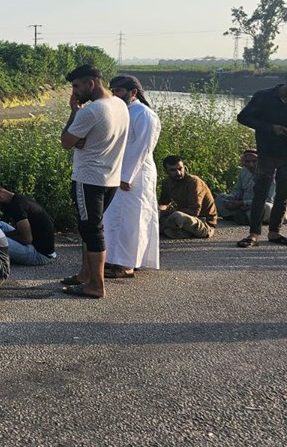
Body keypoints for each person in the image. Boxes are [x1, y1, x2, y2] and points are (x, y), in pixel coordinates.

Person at [60, 64, 129, 299]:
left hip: (88, 178)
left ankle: (96, 285)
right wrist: (82, 139)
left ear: (91, 84)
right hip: (110, 178)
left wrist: (73, 112)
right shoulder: (119, 104)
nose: (75, 92)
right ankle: (84, 276)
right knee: (90, 226)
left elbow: (67, 141)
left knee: (91, 230)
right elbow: (89, 139)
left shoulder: (91, 111)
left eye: (77, 86)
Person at [100, 74, 162, 278]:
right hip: (116, 174)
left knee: (132, 220)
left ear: (133, 93)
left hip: (135, 176)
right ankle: (114, 260)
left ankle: (127, 265)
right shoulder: (121, 111)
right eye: (113, 90)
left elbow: (142, 147)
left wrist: (127, 176)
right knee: (114, 219)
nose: (114, 94)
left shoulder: (144, 114)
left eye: (118, 91)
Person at [236, 83, 287, 247]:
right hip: (267, 152)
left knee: (282, 195)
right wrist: (271, 128)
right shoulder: (263, 96)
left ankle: (274, 232)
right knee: (260, 193)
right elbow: (243, 117)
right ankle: (254, 234)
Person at [0, 184, 57, 266]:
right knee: (0, 225)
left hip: (40, 254)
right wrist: (4, 234)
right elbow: (22, 232)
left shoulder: (17, 207)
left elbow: (26, 239)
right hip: (36, 245)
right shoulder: (18, 199)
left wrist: (1, 236)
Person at [158, 155, 217, 239]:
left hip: (202, 221)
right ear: (166, 171)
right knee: (154, 214)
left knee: (177, 216)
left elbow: (194, 211)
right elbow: (164, 203)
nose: (178, 173)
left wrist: (169, 214)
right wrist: (158, 212)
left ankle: (170, 229)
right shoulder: (167, 183)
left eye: (180, 168)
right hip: (183, 218)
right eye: (173, 170)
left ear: (184, 167)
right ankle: (172, 230)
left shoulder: (194, 182)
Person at [216, 150, 275, 225]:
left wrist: (242, 203)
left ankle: (240, 217)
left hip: (257, 205)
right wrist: (232, 198)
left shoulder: (270, 175)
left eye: (254, 161)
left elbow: (268, 199)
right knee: (220, 198)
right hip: (241, 204)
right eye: (247, 161)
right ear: (244, 162)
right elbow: (238, 189)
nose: (251, 165)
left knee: (267, 207)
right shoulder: (243, 171)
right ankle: (241, 216)